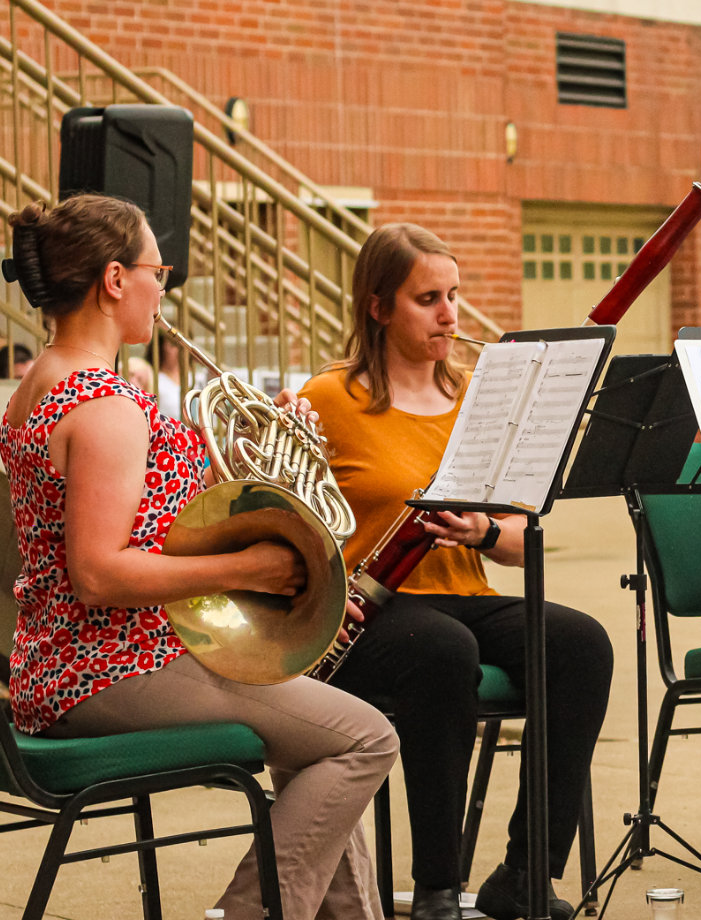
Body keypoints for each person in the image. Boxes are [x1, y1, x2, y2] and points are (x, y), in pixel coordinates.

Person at [0, 194, 399, 920]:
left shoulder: (45, 384)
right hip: (113, 668)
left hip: (71, 664)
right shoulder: (104, 404)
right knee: (364, 739)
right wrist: (247, 570)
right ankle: (245, 913)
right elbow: (98, 573)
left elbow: (153, 520)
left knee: (323, 745)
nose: (165, 287)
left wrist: (273, 444)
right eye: (160, 270)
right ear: (115, 279)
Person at [300, 223, 614, 920]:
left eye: (454, 296)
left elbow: (518, 543)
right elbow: (287, 520)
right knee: (444, 651)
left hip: (461, 595)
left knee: (582, 644)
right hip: (371, 614)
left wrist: (482, 528)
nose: (451, 315)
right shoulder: (327, 399)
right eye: (428, 298)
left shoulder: (478, 397)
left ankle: (526, 876)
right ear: (378, 308)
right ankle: (438, 889)